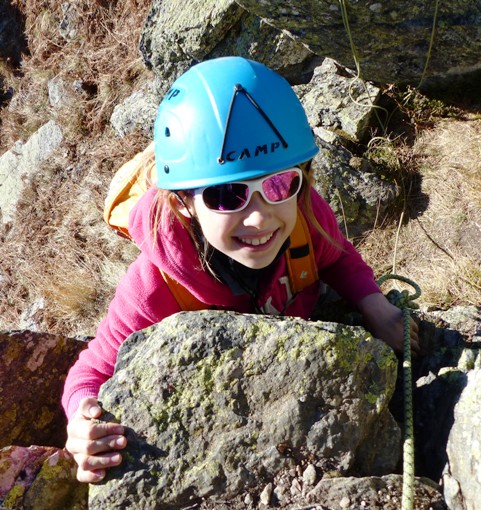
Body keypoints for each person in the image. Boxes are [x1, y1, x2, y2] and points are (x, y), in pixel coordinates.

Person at [62, 56, 419, 483]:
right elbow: (91, 371)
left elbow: (338, 256)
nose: (260, 218)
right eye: (228, 195)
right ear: (183, 203)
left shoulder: (304, 212)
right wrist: (82, 425)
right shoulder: (156, 288)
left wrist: (373, 304)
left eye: (278, 183)